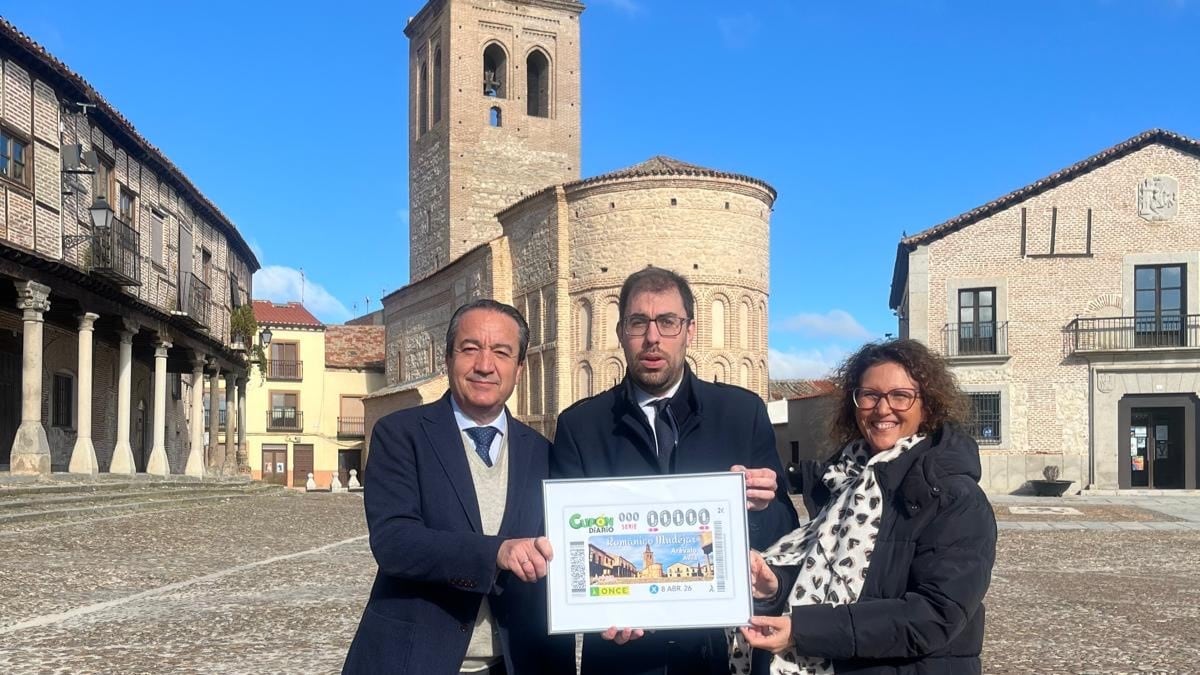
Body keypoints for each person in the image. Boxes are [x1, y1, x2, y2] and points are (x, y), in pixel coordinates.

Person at [553, 267, 799, 675]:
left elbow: (785, 530)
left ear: (690, 330)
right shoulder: (581, 426)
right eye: (638, 322)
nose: (653, 337)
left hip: (719, 657)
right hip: (620, 659)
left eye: (668, 322)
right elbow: (566, 551)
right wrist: (593, 611)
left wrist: (759, 508)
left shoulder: (741, 414)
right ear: (620, 333)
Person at [736, 339, 997, 674]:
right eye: (869, 395)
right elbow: (825, 582)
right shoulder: (844, 481)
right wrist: (775, 584)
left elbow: (934, 616)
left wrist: (803, 631)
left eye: (901, 396)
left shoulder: (953, 496)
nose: (882, 409)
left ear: (927, 407)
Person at [343, 299, 573, 675]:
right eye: (470, 349)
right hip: (418, 659)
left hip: (521, 661)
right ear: (448, 359)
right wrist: (495, 552)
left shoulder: (544, 454)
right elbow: (394, 541)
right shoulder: (401, 435)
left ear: (518, 368)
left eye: (501, 352)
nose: (484, 365)